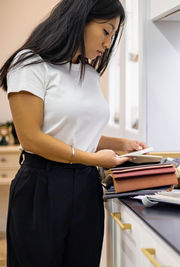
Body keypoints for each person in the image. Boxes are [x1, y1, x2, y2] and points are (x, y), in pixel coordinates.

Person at [0, 0, 146, 266]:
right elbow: (31, 137)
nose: (108, 43)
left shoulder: (88, 73)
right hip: (42, 187)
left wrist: (123, 143)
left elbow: (75, 133)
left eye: (113, 36)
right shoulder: (30, 63)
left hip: (86, 190)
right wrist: (94, 160)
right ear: (81, 19)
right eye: (106, 31)